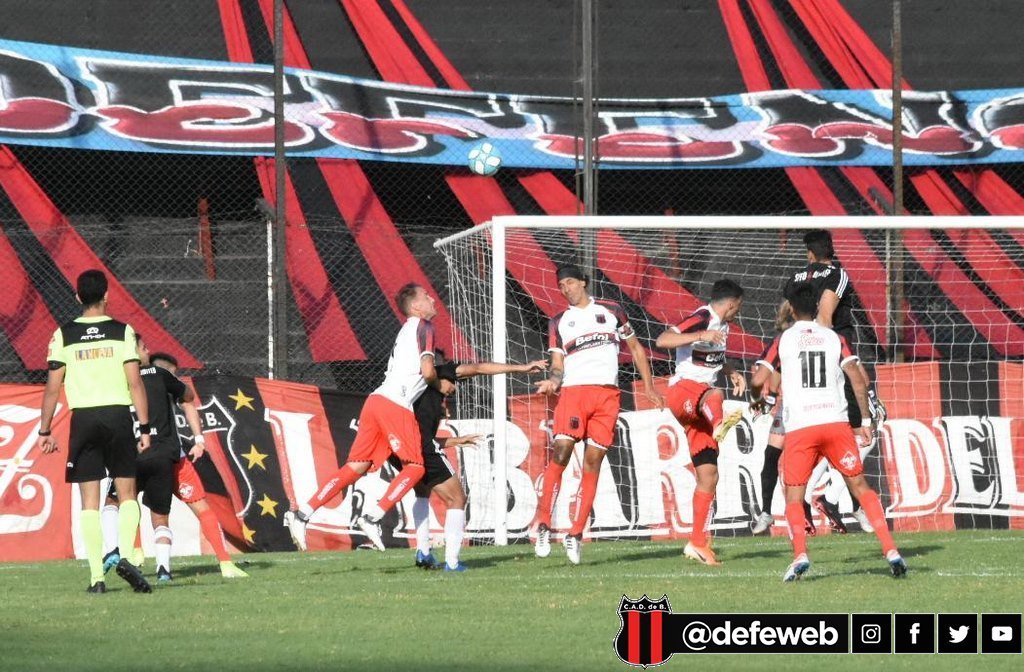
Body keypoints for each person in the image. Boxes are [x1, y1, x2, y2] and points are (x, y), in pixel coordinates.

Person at [750, 283, 907, 581]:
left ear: (791, 308)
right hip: (835, 424)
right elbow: (858, 379)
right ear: (817, 308)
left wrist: (759, 399)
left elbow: (758, 380)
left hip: (801, 428)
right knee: (859, 485)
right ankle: (890, 550)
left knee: (794, 495)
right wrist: (865, 420)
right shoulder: (834, 338)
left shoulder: (783, 340)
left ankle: (800, 555)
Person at [286, 283, 453, 551]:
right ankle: (372, 517)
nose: (432, 299)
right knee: (416, 467)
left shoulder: (407, 330)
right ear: (416, 307)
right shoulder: (425, 327)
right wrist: (439, 384)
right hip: (395, 404)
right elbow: (428, 371)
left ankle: (302, 513)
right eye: (426, 296)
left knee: (357, 466)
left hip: (375, 401)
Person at [533, 265, 663, 565]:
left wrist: (649, 386)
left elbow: (636, 348)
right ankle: (543, 525)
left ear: (583, 282)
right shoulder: (558, 322)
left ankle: (576, 533)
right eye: (561, 285)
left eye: (570, 282)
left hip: (608, 396)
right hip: (574, 393)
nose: (566, 289)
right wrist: (553, 381)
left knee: (593, 462)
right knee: (562, 453)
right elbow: (557, 364)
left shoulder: (612, 310)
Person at [37, 269, 152, 594]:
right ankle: (126, 557)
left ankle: (96, 578)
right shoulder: (122, 331)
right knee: (127, 493)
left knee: (89, 501)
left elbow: (52, 387)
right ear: (107, 296)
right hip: (117, 415)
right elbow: (135, 382)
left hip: (84, 418)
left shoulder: (63, 335)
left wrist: (45, 430)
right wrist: (144, 427)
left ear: (77, 297)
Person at [100, 346, 249, 580]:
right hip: (168, 458)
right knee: (186, 510)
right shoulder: (159, 376)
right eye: (142, 347)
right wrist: (199, 440)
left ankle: (131, 552)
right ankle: (222, 563)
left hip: (139, 455)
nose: (146, 350)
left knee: (123, 501)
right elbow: (189, 399)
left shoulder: (118, 380)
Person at [782, 229, 887, 532]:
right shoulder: (836, 274)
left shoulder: (795, 279)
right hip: (833, 359)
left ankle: (815, 499)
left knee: (817, 439)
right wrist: (846, 362)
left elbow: (784, 318)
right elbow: (826, 318)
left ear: (809, 253)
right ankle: (839, 499)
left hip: (800, 365)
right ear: (830, 250)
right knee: (867, 427)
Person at [403, 352, 547, 572]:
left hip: (405, 445)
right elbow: (480, 368)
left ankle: (423, 552)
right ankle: (452, 562)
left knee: (422, 491)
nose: (455, 389)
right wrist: (523, 368)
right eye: (454, 383)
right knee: (457, 499)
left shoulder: (414, 389)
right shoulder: (439, 373)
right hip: (420, 445)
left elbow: (426, 438)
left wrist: (457, 440)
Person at [655, 279, 746, 565]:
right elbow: (662, 340)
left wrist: (731, 371)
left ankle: (696, 543)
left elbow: (714, 356)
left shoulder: (723, 327)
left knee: (709, 475)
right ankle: (719, 423)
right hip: (684, 392)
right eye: (738, 307)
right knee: (716, 395)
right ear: (731, 303)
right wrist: (699, 334)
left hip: (699, 406)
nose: (738, 312)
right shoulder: (703, 317)